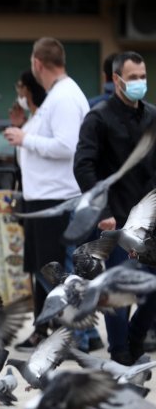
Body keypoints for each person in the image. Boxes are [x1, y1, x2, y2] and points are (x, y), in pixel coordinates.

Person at [4, 37, 89, 351]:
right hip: (44, 197)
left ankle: (76, 335)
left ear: (37, 63)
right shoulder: (56, 97)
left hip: (56, 199)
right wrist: (25, 136)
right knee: (46, 270)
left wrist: (26, 139)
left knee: (55, 274)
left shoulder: (65, 97)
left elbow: (67, 146)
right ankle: (70, 333)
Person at [74, 51, 156, 365]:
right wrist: (103, 210)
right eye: (133, 77)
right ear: (116, 79)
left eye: (143, 76)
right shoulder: (98, 118)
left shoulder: (152, 116)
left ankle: (135, 341)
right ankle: (120, 353)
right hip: (117, 219)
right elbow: (83, 167)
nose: (140, 83)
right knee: (120, 289)